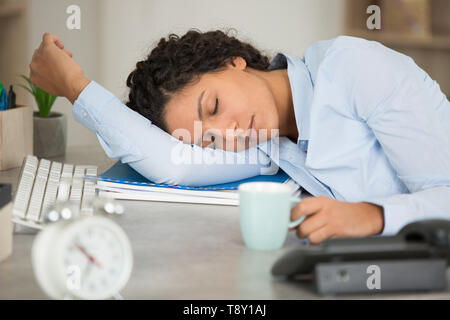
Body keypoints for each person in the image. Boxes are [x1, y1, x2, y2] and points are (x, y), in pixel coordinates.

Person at [29, 30, 450, 244]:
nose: (226, 135)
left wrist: (371, 215)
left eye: (212, 107)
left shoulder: (352, 70)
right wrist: (76, 87)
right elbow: (174, 163)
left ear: (236, 62)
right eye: (207, 140)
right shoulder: (269, 141)